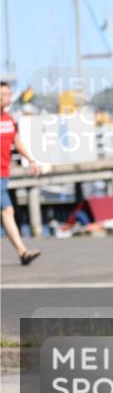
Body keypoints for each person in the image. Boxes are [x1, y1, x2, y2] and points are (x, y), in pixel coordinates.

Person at [1, 81, 42, 265]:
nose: (7, 97)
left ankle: (22, 252)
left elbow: (17, 142)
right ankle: (22, 252)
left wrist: (31, 160)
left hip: (3, 173)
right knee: (7, 211)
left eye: (9, 94)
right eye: (3, 94)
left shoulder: (9, 120)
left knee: (7, 212)